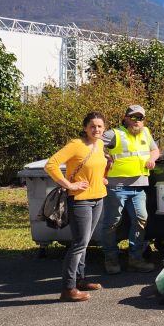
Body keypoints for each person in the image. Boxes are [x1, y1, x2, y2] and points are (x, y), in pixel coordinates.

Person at [45, 112, 109, 302]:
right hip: (81, 200)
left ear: (104, 128)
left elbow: (96, 166)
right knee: (79, 243)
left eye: (99, 126)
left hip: (99, 198)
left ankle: (80, 280)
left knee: (85, 242)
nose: (96, 129)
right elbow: (51, 165)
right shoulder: (76, 144)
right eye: (92, 126)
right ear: (85, 128)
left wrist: (101, 178)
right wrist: (69, 185)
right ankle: (68, 288)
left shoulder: (100, 144)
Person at [101, 105, 159, 274]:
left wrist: (152, 158)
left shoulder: (146, 133)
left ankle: (135, 259)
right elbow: (94, 144)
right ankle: (111, 260)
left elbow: (155, 150)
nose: (137, 121)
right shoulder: (114, 134)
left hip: (139, 186)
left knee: (141, 219)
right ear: (126, 118)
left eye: (140, 118)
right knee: (112, 223)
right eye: (133, 117)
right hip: (116, 187)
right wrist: (104, 156)